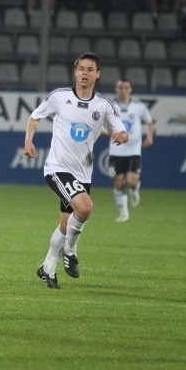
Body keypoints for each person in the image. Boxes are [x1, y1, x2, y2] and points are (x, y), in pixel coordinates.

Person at [24, 52, 128, 289]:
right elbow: (34, 117)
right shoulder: (59, 97)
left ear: (98, 74)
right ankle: (70, 252)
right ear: (75, 71)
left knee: (65, 224)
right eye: (81, 68)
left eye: (90, 69)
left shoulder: (103, 105)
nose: (84, 73)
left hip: (83, 172)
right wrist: (28, 141)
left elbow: (119, 129)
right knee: (85, 207)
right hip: (57, 168)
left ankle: (47, 267)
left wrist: (121, 135)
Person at [108, 80, 155, 222]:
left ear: (130, 89)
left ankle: (134, 189)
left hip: (134, 150)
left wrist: (150, 136)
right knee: (118, 182)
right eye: (120, 87)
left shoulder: (138, 107)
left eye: (126, 87)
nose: (123, 90)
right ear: (116, 89)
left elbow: (149, 121)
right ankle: (124, 214)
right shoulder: (110, 106)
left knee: (131, 180)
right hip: (116, 151)